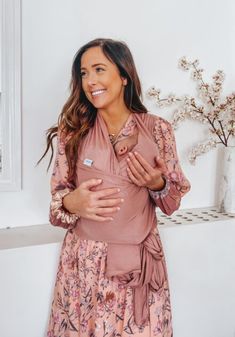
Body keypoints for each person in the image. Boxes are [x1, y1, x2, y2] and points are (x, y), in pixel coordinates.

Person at [39, 38, 191, 337]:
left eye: (98, 69)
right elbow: (57, 210)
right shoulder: (74, 132)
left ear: (123, 76)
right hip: (83, 263)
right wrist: (72, 202)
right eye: (83, 73)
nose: (90, 81)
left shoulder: (157, 129)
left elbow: (172, 203)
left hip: (138, 265)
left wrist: (156, 183)